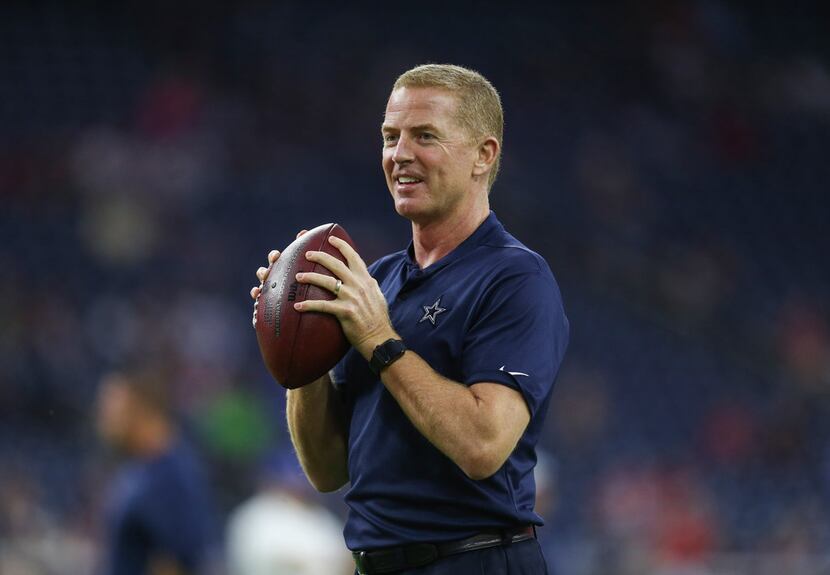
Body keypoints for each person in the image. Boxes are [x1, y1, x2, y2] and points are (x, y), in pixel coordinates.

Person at [250, 64, 569, 574]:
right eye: (390, 136)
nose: (400, 154)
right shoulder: (374, 283)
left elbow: (483, 445)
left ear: (483, 156)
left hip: (475, 560)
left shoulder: (515, 278)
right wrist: (297, 341)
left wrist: (379, 337)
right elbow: (327, 469)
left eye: (425, 136)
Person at [96, 368, 216, 575]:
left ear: (140, 409)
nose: (104, 420)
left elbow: (179, 562)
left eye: (112, 409)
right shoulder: (139, 468)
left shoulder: (170, 477)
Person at [225, 449, 353, 575]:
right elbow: (268, 555)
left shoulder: (317, 513)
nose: (297, 487)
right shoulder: (256, 514)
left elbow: (344, 555)